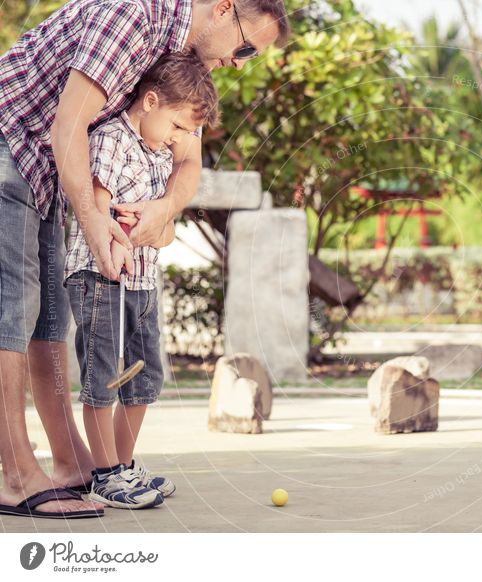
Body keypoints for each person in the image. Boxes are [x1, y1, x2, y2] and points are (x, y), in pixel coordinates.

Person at [0, 0, 288, 519]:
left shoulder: (186, 66)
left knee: (48, 321)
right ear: (223, 9)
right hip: (12, 140)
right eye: (245, 47)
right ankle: (17, 473)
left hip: (48, 168)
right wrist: (94, 221)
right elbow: (68, 126)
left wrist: (163, 211)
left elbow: (188, 162)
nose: (242, 62)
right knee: (13, 311)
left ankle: (72, 465)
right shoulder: (134, 16)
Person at [65, 51, 218, 510]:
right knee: (105, 373)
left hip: (143, 281)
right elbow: (96, 203)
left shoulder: (158, 157)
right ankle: (104, 473)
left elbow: (164, 230)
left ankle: (125, 465)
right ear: (150, 101)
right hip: (102, 276)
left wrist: (158, 227)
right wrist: (116, 245)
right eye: (176, 126)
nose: (179, 141)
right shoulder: (112, 139)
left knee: (144, 373)